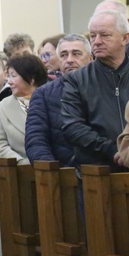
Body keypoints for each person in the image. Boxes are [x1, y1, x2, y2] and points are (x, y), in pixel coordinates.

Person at [62, 9, 129, 170]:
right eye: (93, 36)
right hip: (97, 171)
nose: (96, 41)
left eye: (104, 35)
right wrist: (112, 150)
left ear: (125, 38)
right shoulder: (77, 79)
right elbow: (72, 127)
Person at [25, 34, 92, 167]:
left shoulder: (105, 87)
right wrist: (50, 171)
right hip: (62, 174)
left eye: (76, 54)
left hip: (102, 170)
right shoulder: (43, 94)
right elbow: (36, 139)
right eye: (63, 55)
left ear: (90, 58)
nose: (69, 60)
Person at [0, 54, 48, 165]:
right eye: (8, 76)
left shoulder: (52, 100)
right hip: (20, 172)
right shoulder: (2, 108)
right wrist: (22, 163)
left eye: (13, 76)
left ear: (31, 78)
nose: (9, 82)